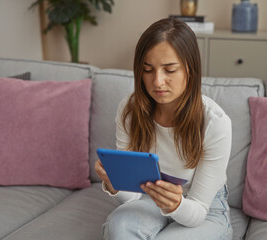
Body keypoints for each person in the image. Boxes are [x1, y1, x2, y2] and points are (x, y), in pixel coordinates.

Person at [94, 18, 233, 240]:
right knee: (118, 226)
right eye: (148, 70)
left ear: (190, 70)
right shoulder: (130, 110)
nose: (157, 82)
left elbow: (197, 212)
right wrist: (115, 184)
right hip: (149, 198)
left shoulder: (216, 122)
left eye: (170, 70)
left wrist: (176, 204)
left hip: (204, 209)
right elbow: (132, 198)